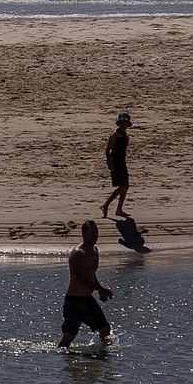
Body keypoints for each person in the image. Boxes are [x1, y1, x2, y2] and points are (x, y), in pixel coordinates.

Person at [58, 219, 114, 348]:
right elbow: (80, 279)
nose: (94, 236)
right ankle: (59, 359)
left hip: (87, 299)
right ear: (83, 234)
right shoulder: (78, 253)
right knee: (69, 337)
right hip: (74, 301)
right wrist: (101, 289)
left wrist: (100, 290)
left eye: (96, 232)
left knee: (105, 330)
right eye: (91, 233)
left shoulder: (94, 251)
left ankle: (102, 358)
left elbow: (91, 274)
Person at [102, 112, 133, 218]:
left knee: (126, 186)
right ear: (119, 123)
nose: (124, 125)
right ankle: (105, 205)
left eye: (125, 123)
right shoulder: (115, 134)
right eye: (122, 123)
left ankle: (119, 209)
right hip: (115, 162)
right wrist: (109, 162)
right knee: (122, 186)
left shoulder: (126, 135)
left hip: (122, 162)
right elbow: (108, 149)